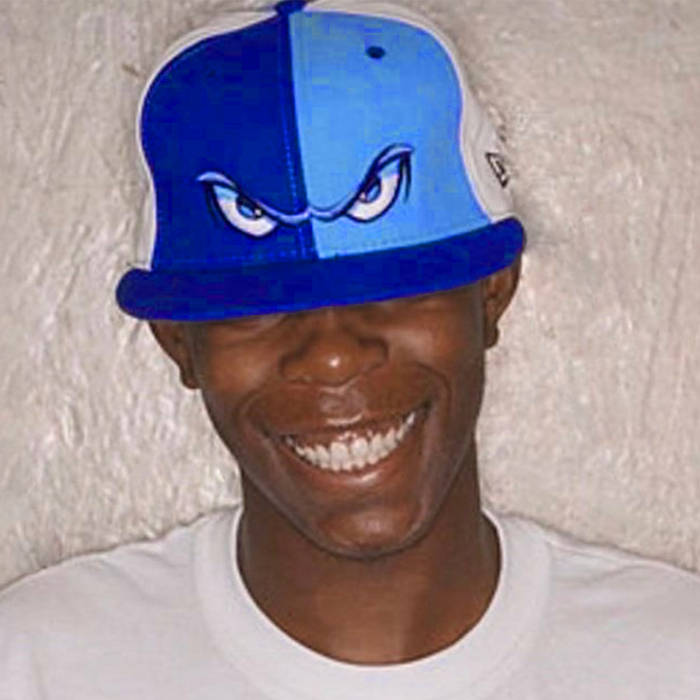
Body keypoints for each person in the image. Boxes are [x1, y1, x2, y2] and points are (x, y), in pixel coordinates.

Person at [1, 1, 698, 697]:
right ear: (177, 341)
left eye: (395, 286)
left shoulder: (673, 660)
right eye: (259, 305)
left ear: (492, 293)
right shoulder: (40, 664)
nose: (332, 355)